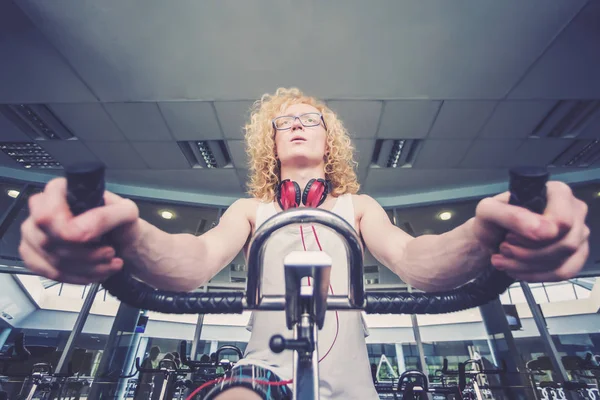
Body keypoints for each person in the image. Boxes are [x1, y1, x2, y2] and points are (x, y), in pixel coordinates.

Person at [18, 87, 590, 400]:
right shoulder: (252, 210)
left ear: (328, 139)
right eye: (283, 121)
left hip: (356, 385)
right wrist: (124, 232)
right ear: (270, 143)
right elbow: (188, 265)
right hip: (262, 372)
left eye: (309, 118)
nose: (295, 123)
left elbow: (421, 263)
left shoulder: (357, 208)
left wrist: (490, 234)